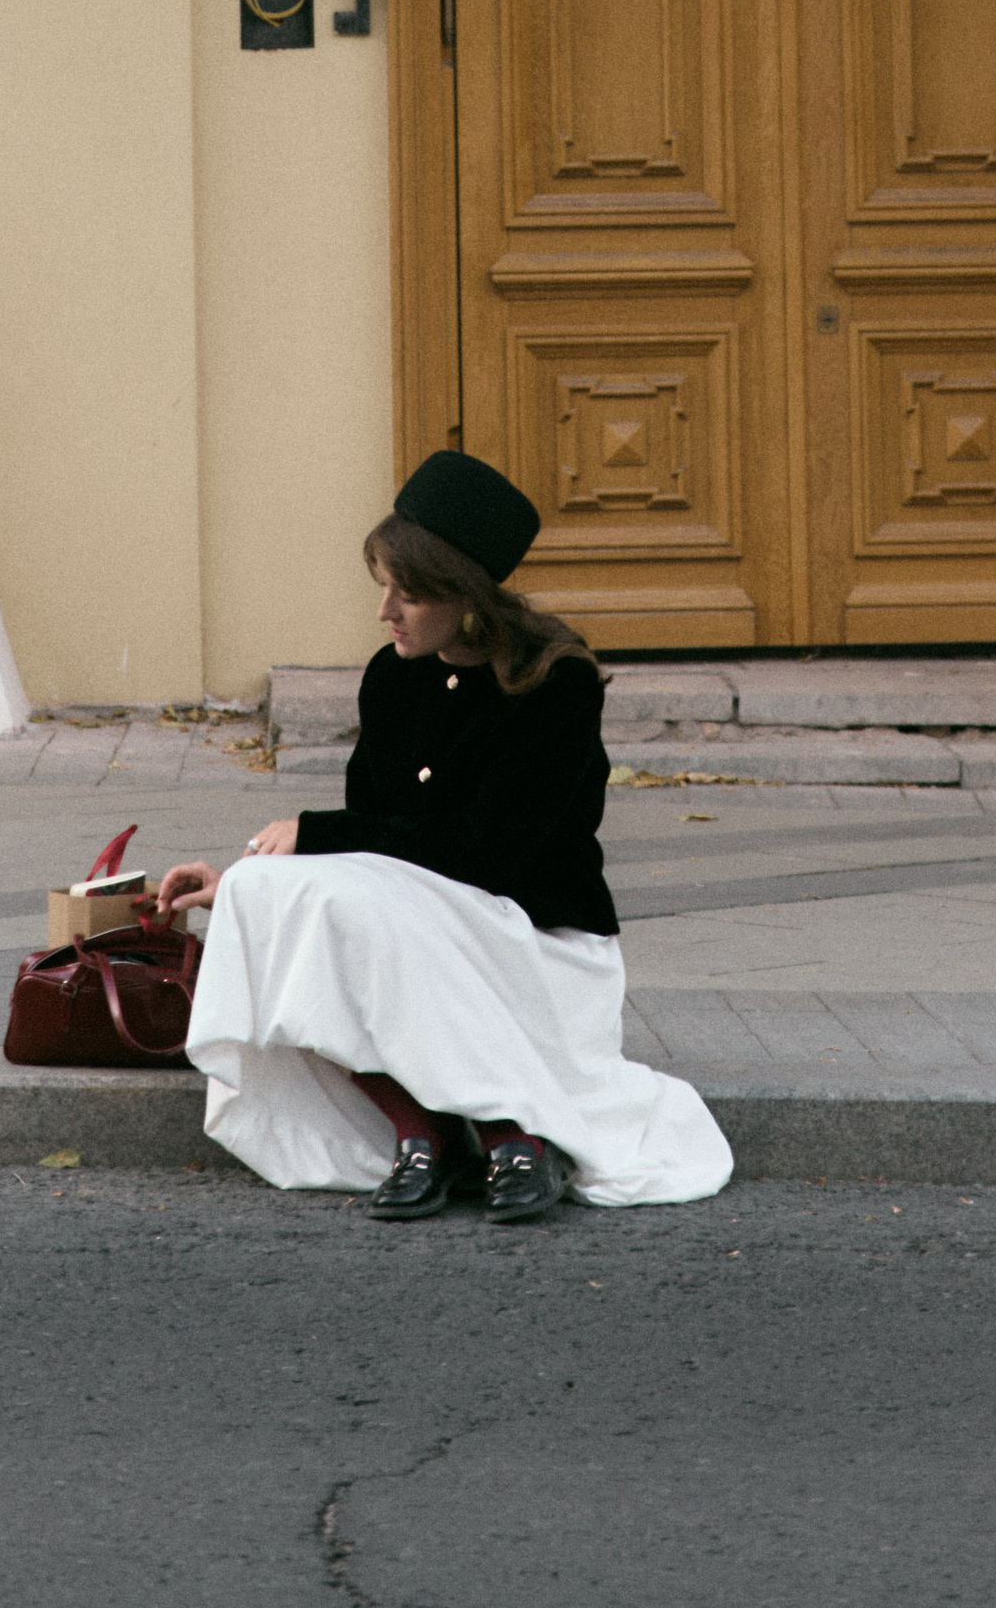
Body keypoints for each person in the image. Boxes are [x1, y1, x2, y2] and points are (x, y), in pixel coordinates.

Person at [154, 450, 732, 1223]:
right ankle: (423, 1130)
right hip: (423, 931)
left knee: (369, 909)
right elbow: (376, 852)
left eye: (408, 592)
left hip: (532, 942)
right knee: (272, 895)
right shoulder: (393, 676)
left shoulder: (552, 682)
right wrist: (241, 883)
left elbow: (487, 851)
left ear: (466, 596)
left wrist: (318, 835)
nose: (385, 611)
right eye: (382, 587)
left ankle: (509, 1132)